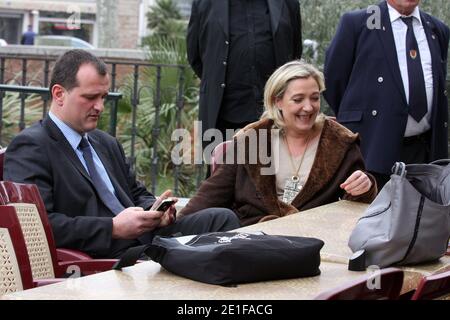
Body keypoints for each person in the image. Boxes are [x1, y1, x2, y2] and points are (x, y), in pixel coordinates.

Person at [4, 49, 240, 259]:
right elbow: (35, 227)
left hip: (146, 238)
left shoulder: (104, 142)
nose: (99, 106)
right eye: (90, 97)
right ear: (58, 94)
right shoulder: (32, 146)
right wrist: (113, 227)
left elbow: (136, 193)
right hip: (106, 253)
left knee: (222, 218)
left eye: (103, 97)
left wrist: (155, 211)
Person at [180, 61, 377, 226]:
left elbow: (355, 208)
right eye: (298, 99)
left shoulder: (340, 142)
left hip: (315, 243)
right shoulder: (252, 140)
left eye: (315, 98)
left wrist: (365, 187)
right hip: (252, 240)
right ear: (278, 102)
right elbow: (211, 196)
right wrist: (171, 224)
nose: (308, 107)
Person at [324, 0, 449, 189]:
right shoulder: (359, 23)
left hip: (424, 155)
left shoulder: (437, 29)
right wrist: (364, 119)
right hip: (372, 152)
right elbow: (334, 81)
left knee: (422, 218)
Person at [187, 0, 302, 145]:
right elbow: (194, 55)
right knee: (224, 167)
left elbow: (294, 52)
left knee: (274, 167)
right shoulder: (204, 3)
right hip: (223, 118)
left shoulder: (288, 3)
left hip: (274, 117)